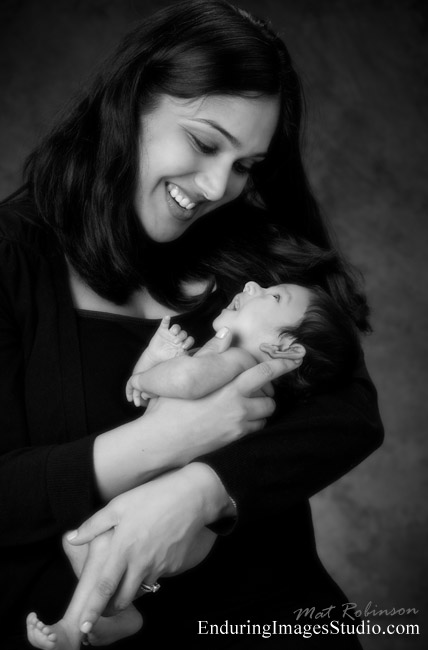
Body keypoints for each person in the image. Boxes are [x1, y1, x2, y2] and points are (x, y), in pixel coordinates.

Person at [0, 1, 383, 648]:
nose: (215, 187)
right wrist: (176, 438)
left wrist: (202, 492)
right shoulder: (11, 259)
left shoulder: (253, 258)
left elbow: (348, 411)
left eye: (245, 166)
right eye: (206, 142)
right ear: (131, 101)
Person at [25, 274, 362, 649]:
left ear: (286, 349)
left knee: (97, 544)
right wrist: (153, 362)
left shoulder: (240, 363)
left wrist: (155, 374)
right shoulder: (222, 359)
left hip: (188, 528)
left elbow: (182, 381)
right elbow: (143, 392)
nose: (252, 285)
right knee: (80, 543)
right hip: (161, 511)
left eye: (273, 296)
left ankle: (74, 627)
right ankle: (120, 614)